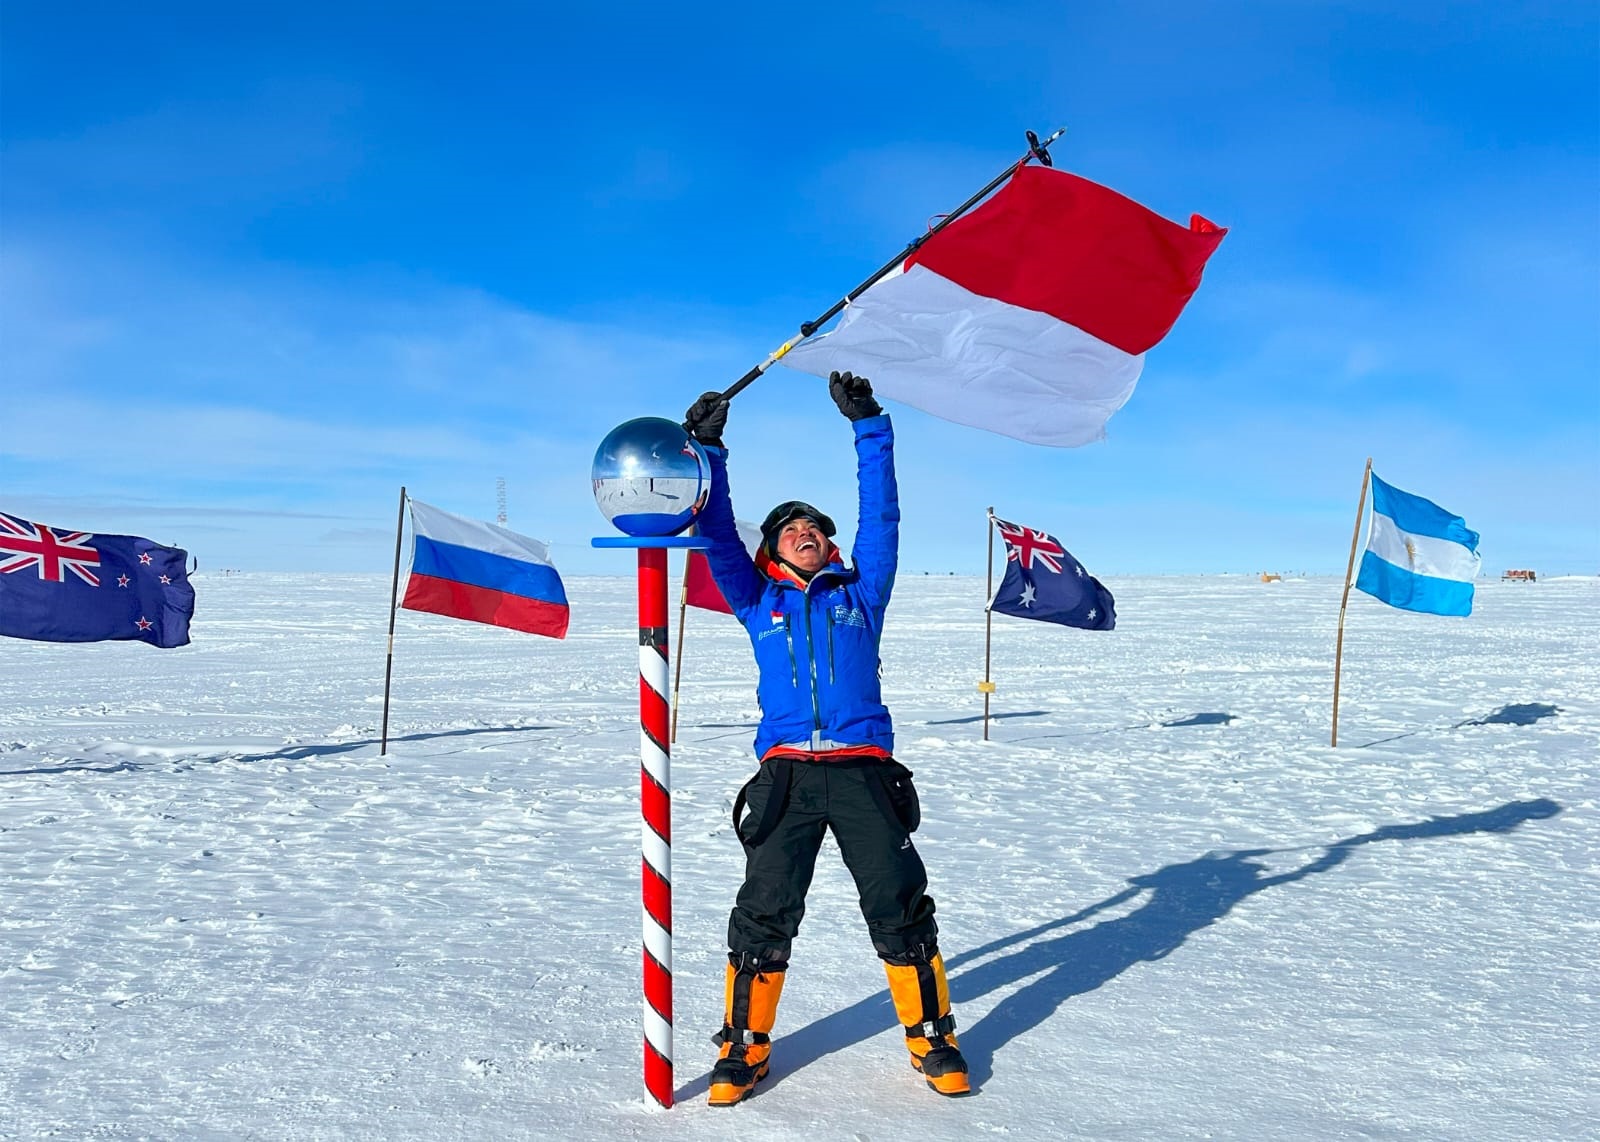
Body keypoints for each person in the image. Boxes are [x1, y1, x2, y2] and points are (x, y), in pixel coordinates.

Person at [681, 372, 969, 1106]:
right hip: (786, 778)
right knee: (764, 908)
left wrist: (868, 425)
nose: (806, 533)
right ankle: (744, 1048)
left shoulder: (860, 594)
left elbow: (884, 518)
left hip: (863, 771)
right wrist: (709, 451)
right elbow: (714, 531)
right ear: (774, 549)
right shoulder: (756, 601)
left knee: (899, 902)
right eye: (790, 529)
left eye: (815, 527)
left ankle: (931, 1036)